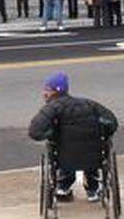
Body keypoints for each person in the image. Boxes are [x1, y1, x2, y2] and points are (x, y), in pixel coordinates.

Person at [28, 72, 119, 202]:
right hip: (94, 157)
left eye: (47, 90)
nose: (44, 93)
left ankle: (63, 187)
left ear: (56, 91)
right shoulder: (90, 105)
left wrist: (51, 134)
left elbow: (34, 132)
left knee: (64, 154)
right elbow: (112, 123)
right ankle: (92, 190)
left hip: (63, 158)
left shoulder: (52, 108)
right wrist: (104, 134)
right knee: (89, 155)